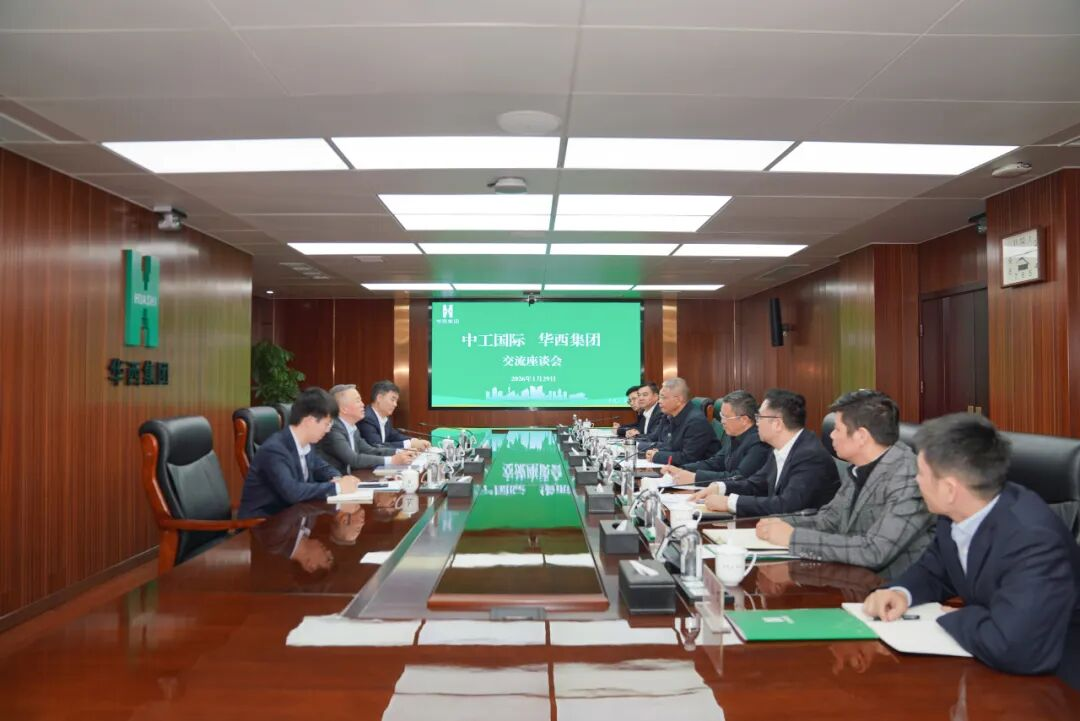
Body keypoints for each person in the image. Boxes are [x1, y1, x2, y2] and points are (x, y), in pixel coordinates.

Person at [863, 413, 1080, 675]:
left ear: (950, 490)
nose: (915, 480)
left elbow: (1014, 648)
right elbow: (936, 568)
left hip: (1055, 680)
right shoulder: (958, 512)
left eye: (920, 473)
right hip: (985, 658)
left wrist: (954, 617)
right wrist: (901, 592)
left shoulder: (1035, 541)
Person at [756, 389, 932, 577]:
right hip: (853, 579)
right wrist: (778, 523)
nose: (831, 435)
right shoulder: (859, 466)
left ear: (861, 436)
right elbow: (829, 520)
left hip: (892, 587)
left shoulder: (909, 477)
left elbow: (874, 551)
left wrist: (793, 538)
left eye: (837, 429)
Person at [690, 388, 839, 517]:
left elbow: (787, 505)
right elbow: (755, 484)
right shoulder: (780, 449)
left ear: (777, 424)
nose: (756, 423)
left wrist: (730, 503)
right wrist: (720, 487)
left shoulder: (809, 455)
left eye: (759, 417)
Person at [238, 387, 360, 519]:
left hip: (293, 518)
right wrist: (335, 487)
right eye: (327, 424)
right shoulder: (275, 450)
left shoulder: (307, 444)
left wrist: (337, 478)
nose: (328, 430)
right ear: (310, 421)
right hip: (264, 524)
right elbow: (292, 492)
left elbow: (322, 467)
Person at [662, 390, 769, 487]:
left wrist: (695, 478)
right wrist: (682, 469)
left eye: (726, 417)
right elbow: (716, 462)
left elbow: (738, 477)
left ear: (744, 420)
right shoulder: (734, 434)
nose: (722, 421)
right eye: (721, 416)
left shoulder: (758, 443)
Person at [318, 383, 416, 474]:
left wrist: (400, 452)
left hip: (351, 479)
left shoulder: (352, 427)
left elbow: (370, 450)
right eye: (358, 401)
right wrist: (392, 460)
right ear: (344, 409)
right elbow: (354, 459)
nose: (363, 404)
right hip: (335, 481)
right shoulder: (333, 428)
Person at [642, 378, 720, 466]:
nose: (659, 401)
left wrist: (658, 456)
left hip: (698, 470)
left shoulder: (696, 422)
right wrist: (660, 450)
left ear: (678, 400)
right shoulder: (671, 415)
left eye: (663, 397)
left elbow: (689, 458)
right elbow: (671, 445)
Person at [358, 380, 431, 451]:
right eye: (392, 400)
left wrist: (414, 440)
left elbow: (394, 435)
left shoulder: (385, 417)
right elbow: (378, 446)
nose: (395, 404)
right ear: (379, 398)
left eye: (396, 401)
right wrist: (409, 444)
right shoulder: (366, 418)